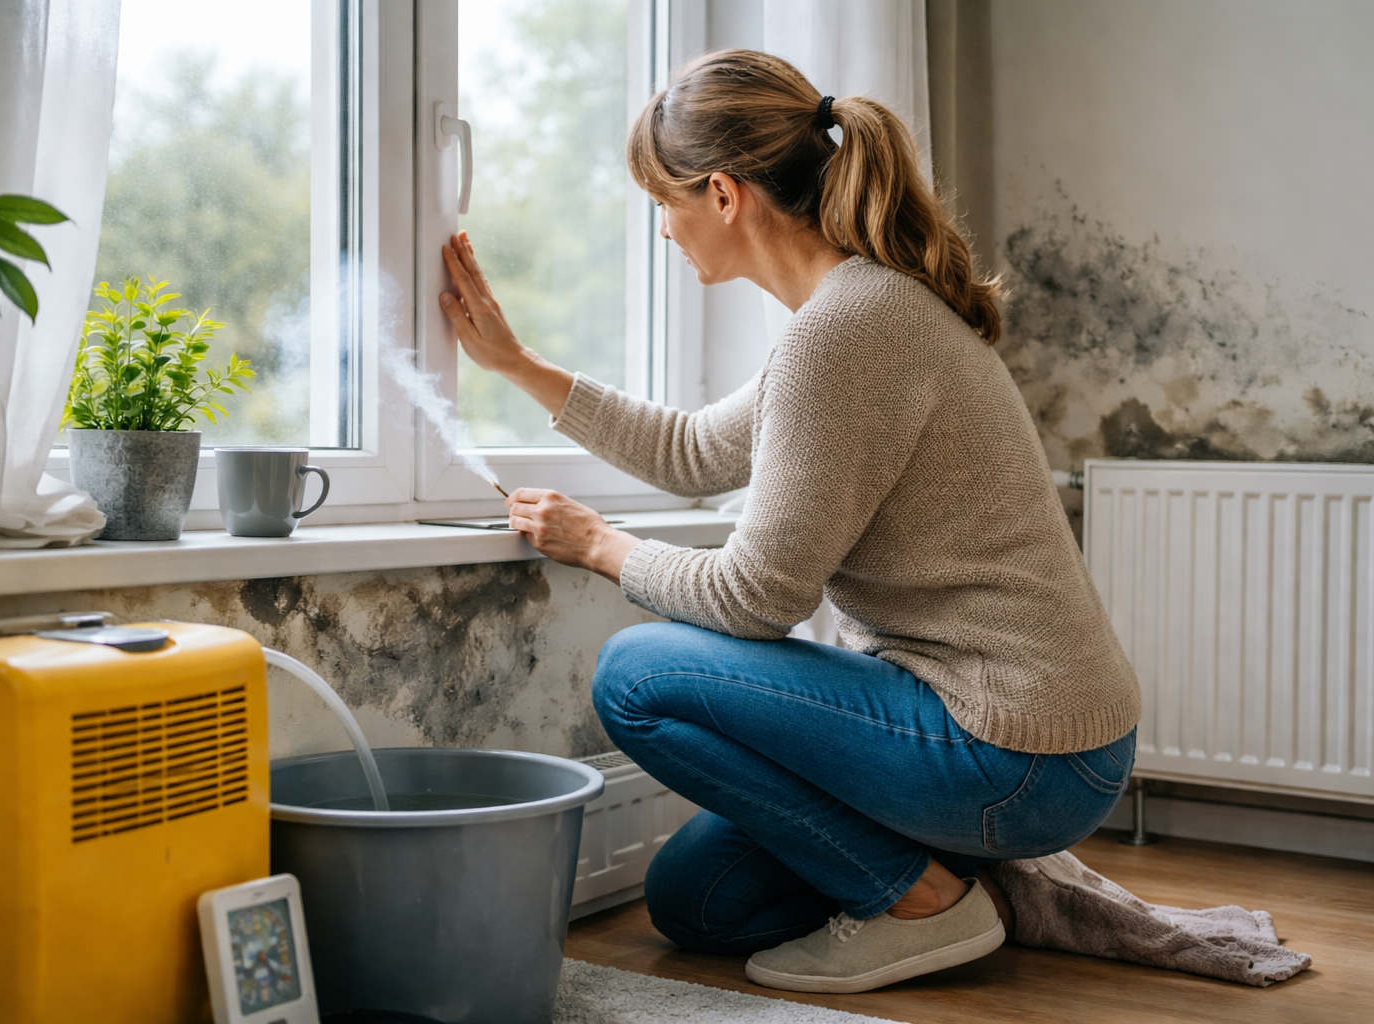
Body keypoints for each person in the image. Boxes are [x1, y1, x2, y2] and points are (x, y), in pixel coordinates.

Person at [438, 48, 1140, 995]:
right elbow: (693, 453)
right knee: (698, 902)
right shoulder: (853, 310)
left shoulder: (847, 330)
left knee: (637, 675)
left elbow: (755, 600)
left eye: (664, 202)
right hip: (1029, 744)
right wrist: (518, 365)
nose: (662, 228)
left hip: (1016, 752)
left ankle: (926, 900)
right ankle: (945, 872)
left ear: (723, 194)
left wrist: (600, 545)